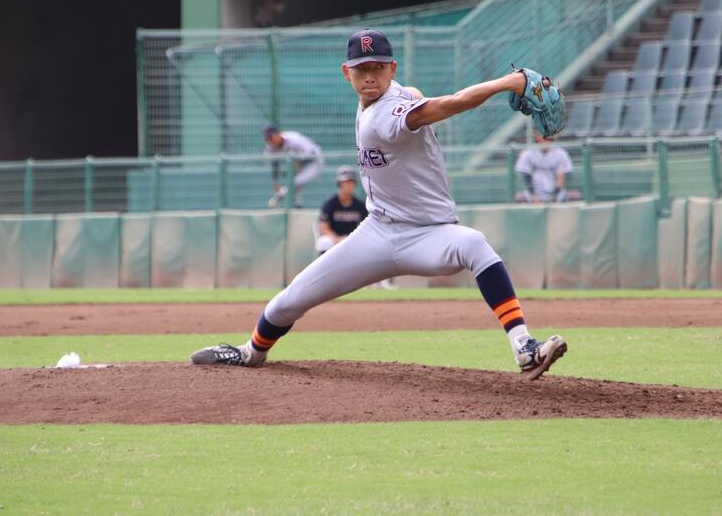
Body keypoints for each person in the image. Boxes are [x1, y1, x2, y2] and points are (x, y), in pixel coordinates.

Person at [192, 28, 567, 378]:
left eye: (377, 68)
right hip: (377, 233)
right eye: (361, 69)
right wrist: (508, 82)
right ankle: (251, 352)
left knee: (474, 244)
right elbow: (433, 102)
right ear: (346, 73)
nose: (369, 76)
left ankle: (523, 346)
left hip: (430, 234)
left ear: (392, 69)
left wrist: (507, 82)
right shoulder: (379, 111)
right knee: (290, 300)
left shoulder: (389, 108)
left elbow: (451, 104)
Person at [262, 125, 324, 207]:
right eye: (268, 139)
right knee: (295, 183)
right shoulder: (270, 148)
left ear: (279, 134)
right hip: (296, 164)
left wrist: (298, 163)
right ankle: (297, 206)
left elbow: (312, 154)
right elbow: (275, 163)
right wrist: (276, 181)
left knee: (296, 182)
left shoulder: (294, 139)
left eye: (272, 137)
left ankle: (280, 196)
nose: (270, 141)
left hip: (314, 162)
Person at [315, 166, 368, 255]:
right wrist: (336, 239)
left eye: (351, 182)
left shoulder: (359, 204)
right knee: (324, 243)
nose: (349, 185)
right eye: (346, 182)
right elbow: (323, 228)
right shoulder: (330, 203)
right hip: (333, 238)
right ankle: (328, 268)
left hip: (351, 238)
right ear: (339, 184)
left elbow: (366, 226)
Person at [515, 130, 574, 204]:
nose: (547, 141)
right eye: (545, 138)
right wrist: (534, 196)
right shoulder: (528, 153)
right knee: (519, 197)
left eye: (550, 139)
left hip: (554, 191)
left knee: (574, 195)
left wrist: (554, 197)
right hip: (534, 191)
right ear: (537, 137)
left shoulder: (561, 153)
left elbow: (560, 180)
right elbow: (527, 177)